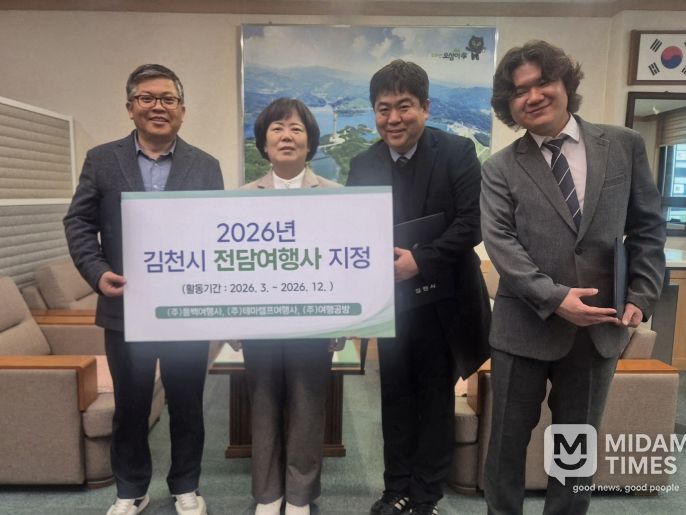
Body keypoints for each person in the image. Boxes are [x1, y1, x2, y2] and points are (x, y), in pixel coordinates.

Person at [480, 40, 666, 514]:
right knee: (505, 447)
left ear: (565, 82)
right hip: (522, 328)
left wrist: (642, 294)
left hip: (597, 328)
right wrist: (555, 297)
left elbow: (647, 227)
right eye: (519, 91)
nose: (533, 96)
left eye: (543, 82)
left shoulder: (623, 145)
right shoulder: (500, 167)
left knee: (575, 449)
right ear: (508, 106)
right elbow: (501, 244)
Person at [64, 64, 223, 515]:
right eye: (147, 98)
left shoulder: (205, 165)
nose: (158, 107)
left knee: (187, 404)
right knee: (131, 405)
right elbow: (78, 222)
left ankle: (186, 485)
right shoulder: (102, 159)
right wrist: (97, 272)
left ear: (182, 110)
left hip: (185, 310)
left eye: (168, 99)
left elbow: (217, 233)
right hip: (126, 307)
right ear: (130, 107)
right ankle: (131, 488)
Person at [347, 60, 491, 515]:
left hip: (444, 302)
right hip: (391, 304)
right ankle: (396, 489)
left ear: (425, 107)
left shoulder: (457, 152)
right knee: (394, 398)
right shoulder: (363, 164)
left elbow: (473, 221)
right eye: (383, 108)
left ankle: (425, 496)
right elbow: (351, 232)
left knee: (433, 398)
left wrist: (420, 260)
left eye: (404, 106)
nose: (393, 118)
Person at [240, 97, 340, 515]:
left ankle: (299, 496)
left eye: (296, 129)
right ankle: (268, 494)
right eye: (277, 128)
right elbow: (230, 267)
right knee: (262, 406)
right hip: (259, 325)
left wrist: (342, 324)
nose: (286, 136)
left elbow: (346, 265)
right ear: (264, 143)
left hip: (314, 325)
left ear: (310, 142)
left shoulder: (336, 196)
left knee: (308, 408)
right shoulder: (241, 197)